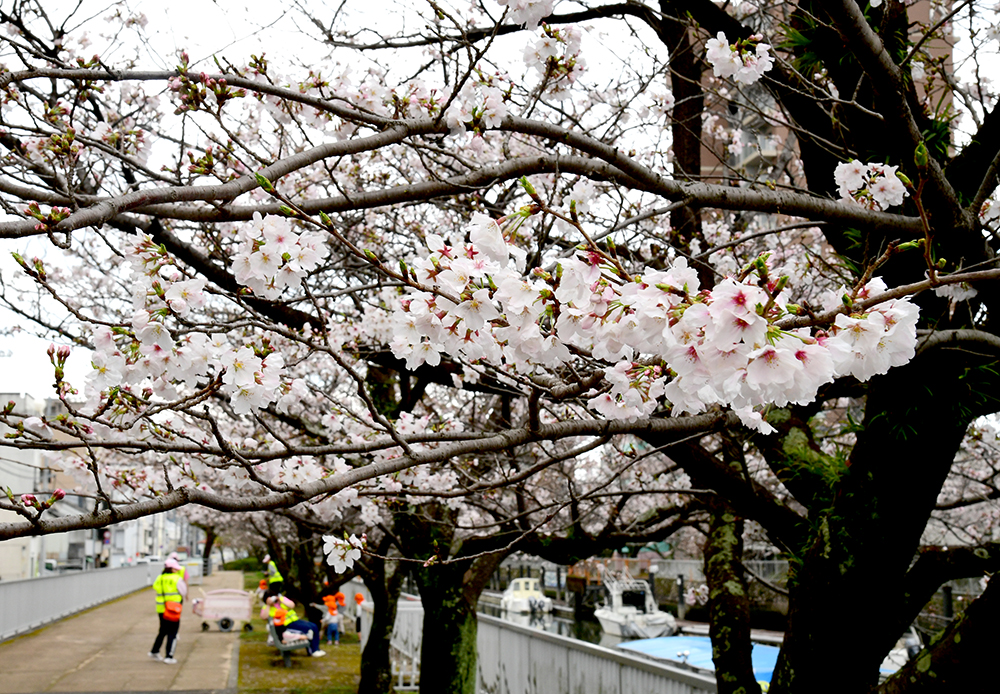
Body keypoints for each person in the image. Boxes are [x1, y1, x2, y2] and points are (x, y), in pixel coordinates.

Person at [262, 592, 325, 657]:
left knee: (314, 626)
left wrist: (281, 601)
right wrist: (268, 605)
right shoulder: (266, 607)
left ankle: (317, 649)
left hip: (294, 621)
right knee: (308, 629)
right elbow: (263, 617)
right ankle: (313, 651)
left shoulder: (282, 600)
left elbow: (292, 605)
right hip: (286, 626)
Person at [149, 558, 187, 664]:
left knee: (163, 630)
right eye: (175, 569)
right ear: (172, 569)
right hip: (173, 609)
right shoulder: (177, 578)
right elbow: (183, 591)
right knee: (173, 632)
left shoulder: (160, 578)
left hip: (161, 608)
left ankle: (155, 651)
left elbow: (155, 587)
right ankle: (169, 656)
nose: (177, 570)